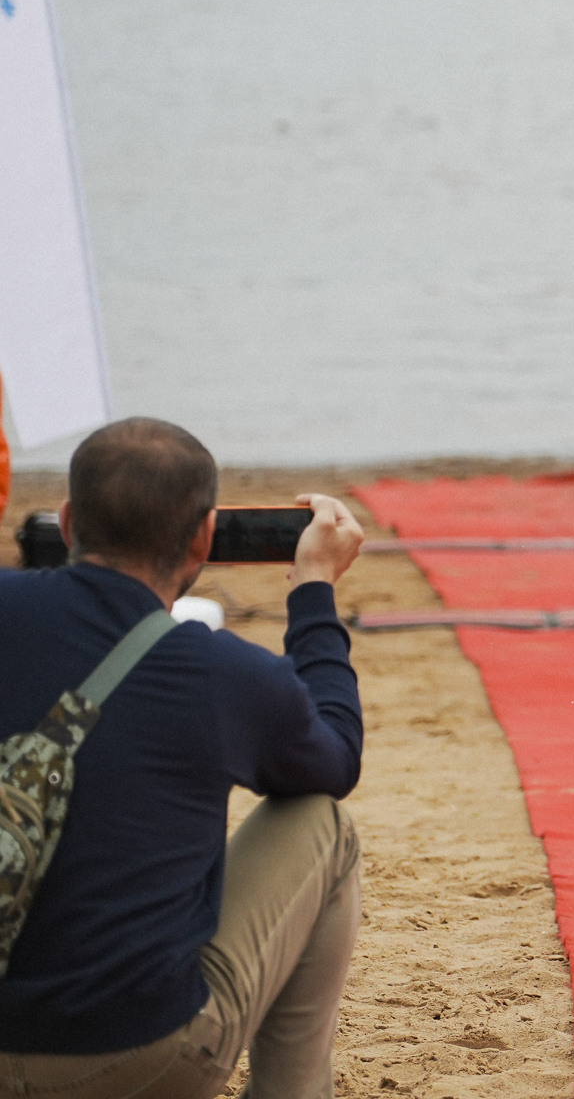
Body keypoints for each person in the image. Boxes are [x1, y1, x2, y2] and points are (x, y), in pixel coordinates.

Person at [0, 417, 366, 1099]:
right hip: (133, 1057)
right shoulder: (225, 673)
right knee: (324, 826)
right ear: (204, 537)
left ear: (69, 518)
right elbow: (336, 758)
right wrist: (313, 588)